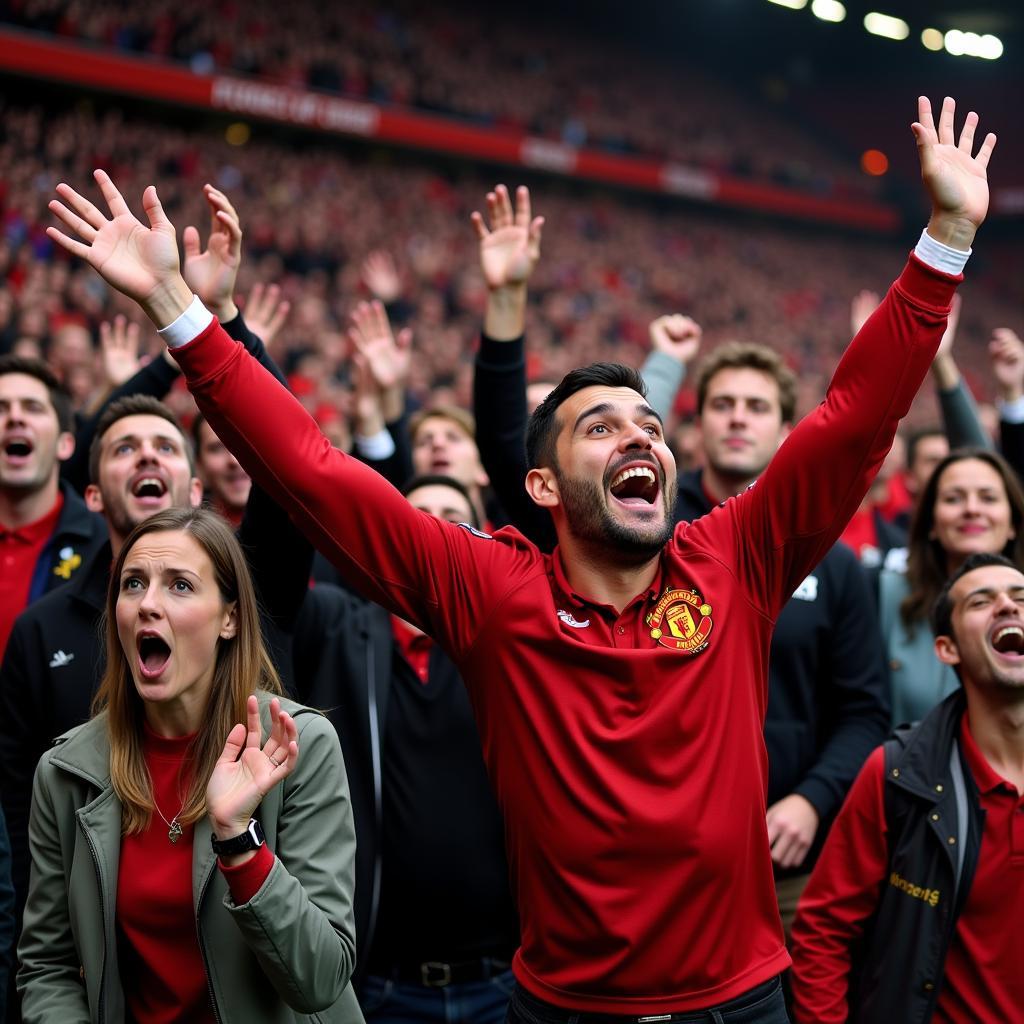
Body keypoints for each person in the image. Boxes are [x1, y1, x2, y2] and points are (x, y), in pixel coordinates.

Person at [47, 95, 993, 1022]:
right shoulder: (490, 588)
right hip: (559, 1007)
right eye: (601, 427)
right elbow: (316, 469)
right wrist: (178, 306)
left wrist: (945, 236)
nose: (641, 440)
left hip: (740, 1002)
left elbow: (853, 419)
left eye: (651, 427)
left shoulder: (735, 558)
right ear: (542, 488)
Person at [17, 506, 362, 1022]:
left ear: (230, 618)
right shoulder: (66, 772)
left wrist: (239, 841)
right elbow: (49, 967)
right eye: (133, 584)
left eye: (179, 586)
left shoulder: (299, 747)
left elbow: (321, 979)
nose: (147, 604)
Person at [293, 471, 518, 1024]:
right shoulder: (336, 629)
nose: (436, 525)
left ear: (483, 536)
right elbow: (274, 570)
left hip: (510, 980)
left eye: (453, 512)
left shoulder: (508, 641)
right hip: (382, 985)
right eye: (418, 512)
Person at [790, 552, 1024, 1023]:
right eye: (981, 601)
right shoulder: (896, 775)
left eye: (1021, 597)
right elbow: (822, 934)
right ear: (947, 648)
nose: (1007, 606)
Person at [878, 447, 1024, 725]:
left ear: (1013, 523)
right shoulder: (885, 593)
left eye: (988, 498)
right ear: (931, 522)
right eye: (953, 498)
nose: (971, 509)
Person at [0, 356, 106, 659]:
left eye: (32, 407)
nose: (15, 418)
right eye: (1, 408)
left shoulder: (104, 545)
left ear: (65, 444)